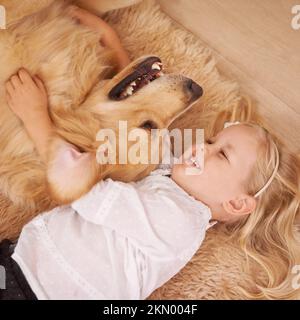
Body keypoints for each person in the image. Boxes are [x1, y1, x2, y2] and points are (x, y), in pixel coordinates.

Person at [1, 6, 299, 300]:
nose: (200, 147)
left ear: (236, 202)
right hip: (24, 261)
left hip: (36, 289)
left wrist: (36, 117)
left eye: (221, 155)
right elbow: (143, 122)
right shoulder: (174, 180)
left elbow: (86, 194)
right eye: (210, 141)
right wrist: (113, 44)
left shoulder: (179, 224)